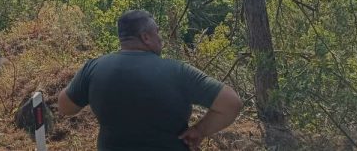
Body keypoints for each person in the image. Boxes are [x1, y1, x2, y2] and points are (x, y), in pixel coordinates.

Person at [57, 9, 243, 150]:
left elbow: (65, 107)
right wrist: (199, 131)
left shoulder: (93, 68)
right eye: (157, 32)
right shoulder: (178, 72)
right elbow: (231, 103)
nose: (160, 38)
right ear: (146, 37)